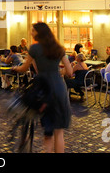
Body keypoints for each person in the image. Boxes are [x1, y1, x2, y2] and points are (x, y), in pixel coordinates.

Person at [12, 22, 72, 153]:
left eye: (32, 31)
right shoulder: (59, 48)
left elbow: (24, 68)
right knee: (59, 131)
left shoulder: (34, 48)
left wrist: (15, 68)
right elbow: (69, 71)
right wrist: (57, 73)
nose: (31, 33)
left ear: (39, 32)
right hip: (59, 88)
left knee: (48, 131)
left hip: (44, 90)